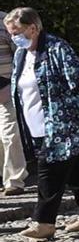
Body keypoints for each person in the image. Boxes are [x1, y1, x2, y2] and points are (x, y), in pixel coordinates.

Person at [6, 8, 79, 239]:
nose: (14, 37)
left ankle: (44, 222)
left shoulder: (56, 48)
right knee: (75, 170)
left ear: (33, 27)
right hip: (36, 124)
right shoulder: (21, 54)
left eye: (17, 32)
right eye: (10, 33)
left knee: (48, 171)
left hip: (61, 124)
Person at [0, 32, 25, 196]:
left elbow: (22, 55)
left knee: (9, 134)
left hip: (6, 87)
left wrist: (12, 85)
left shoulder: (5, 22)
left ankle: (14, 181)